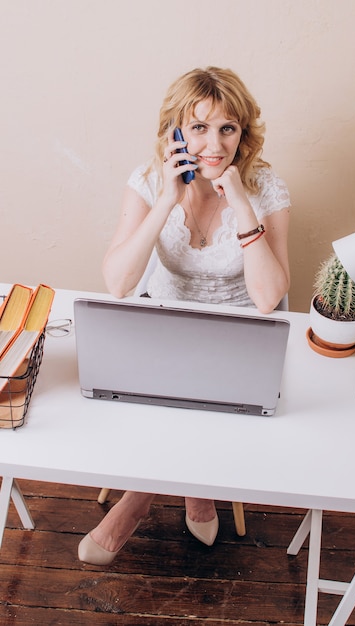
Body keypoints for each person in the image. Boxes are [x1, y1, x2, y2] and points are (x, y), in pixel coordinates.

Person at [78, 66, 291, 565]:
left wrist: (240, 203)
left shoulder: (266, 188)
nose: (214, 143)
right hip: (161, 324)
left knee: (203, 401)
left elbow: (267, 299)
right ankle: (199, 490)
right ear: (177, 130)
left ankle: (133, 506)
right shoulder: (149, 180)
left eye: (227, 128)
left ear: (243, 132)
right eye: (199, 128)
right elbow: (119, 283)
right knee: (159, 395)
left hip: (239, 333)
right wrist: (166, 200)